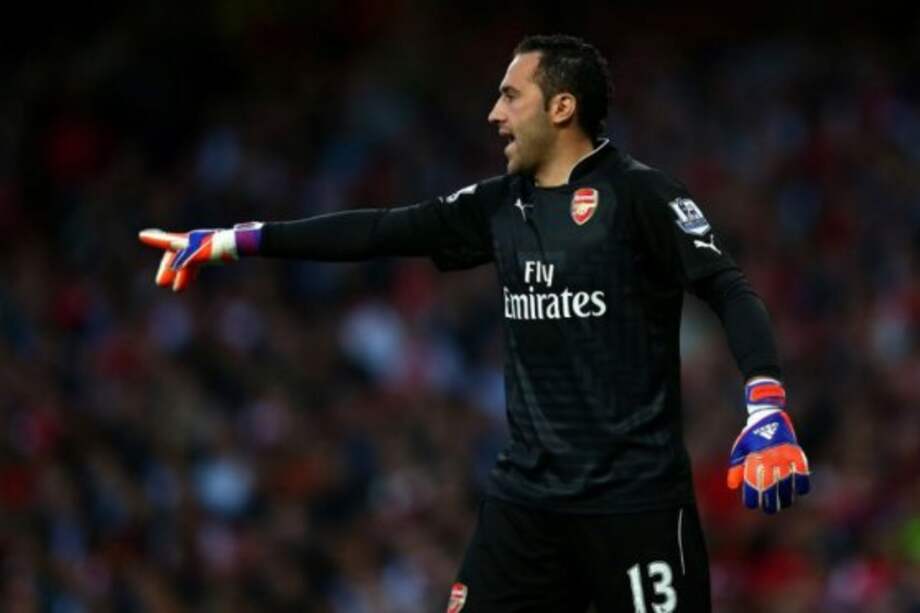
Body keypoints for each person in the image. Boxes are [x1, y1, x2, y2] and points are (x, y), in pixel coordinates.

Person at [140, 34, 810, 613]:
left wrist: (766, 403)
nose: (495, 114)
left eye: (510, 96)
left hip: (634, 506)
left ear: (562, 105)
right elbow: (378, 230)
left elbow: (728, 286)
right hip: (526, 504)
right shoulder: (498, 206)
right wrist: (235, 240)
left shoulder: (642, 198)